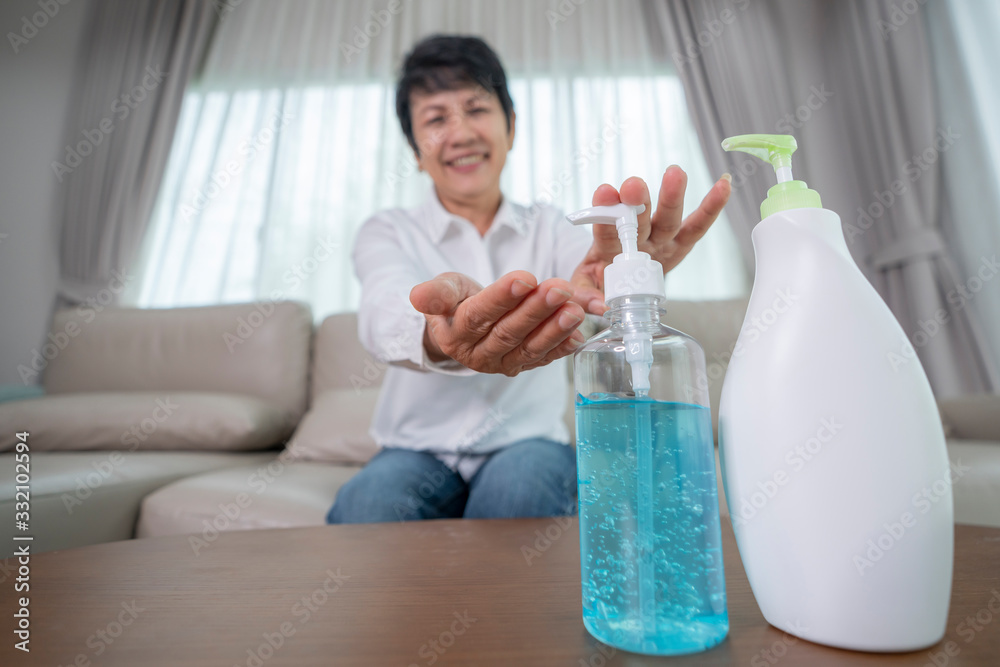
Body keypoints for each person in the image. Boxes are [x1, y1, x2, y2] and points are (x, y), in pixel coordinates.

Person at [326, 34, 731, 524]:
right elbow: (381, 308)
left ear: (511, 126)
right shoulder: (389, 230)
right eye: (435, 119)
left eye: (476, 108)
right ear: (415, 150)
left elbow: (590, 281)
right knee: (367, 508)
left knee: (522, 493)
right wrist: (437, 334)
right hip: (414, 451)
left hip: (526, 446)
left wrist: (621, 274)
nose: (459, 133)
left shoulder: (551, 226)